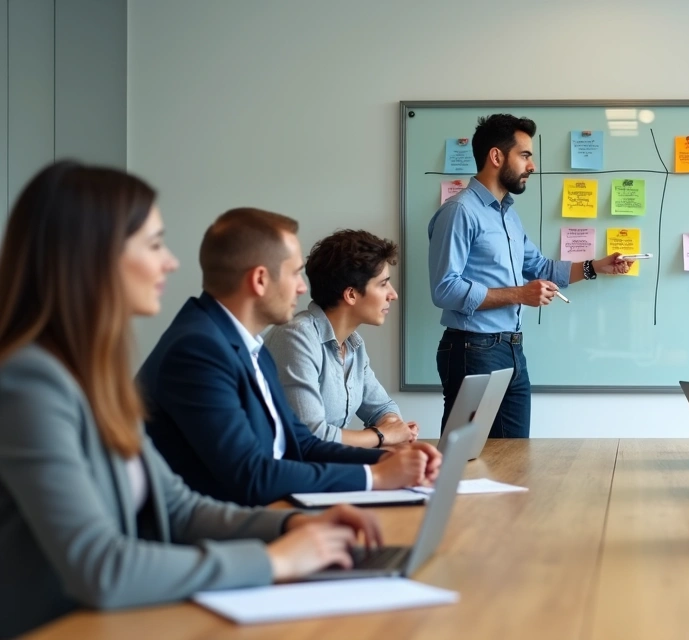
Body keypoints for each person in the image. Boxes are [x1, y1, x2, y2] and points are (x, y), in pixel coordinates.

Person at [0, 161, 385, 637]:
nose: (171, 262)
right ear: (94, 256)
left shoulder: (94, 375)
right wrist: (273, 561)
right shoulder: (29, 383)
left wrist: (289, 528)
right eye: (154, 245)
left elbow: (179, 508)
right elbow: (102, 567)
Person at [140, 208, 441, 507]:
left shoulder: (249, 346)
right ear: (260, 279)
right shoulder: (199, 350)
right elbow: (251, 474)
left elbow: (303, 444)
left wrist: (389, 460)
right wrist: (374, 476)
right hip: (218, 525)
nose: (302, 287)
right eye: (295, 273)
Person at [427, 113, 632, 439]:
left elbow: (540, 267)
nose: (532, 165)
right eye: (525, 155)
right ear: (496, 157)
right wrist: (520, 294)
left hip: (511, 348)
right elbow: (445, 289)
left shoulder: (508, 215)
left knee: (515, 456)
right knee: (464, 457)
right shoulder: (460, 212)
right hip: (472, 349)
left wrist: (596, 266)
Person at [265, 229, 418, 449]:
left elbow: (382, 407)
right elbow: (311, 436)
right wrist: (382, 435)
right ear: (351, 294)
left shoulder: (353, 344)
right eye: (383, 284)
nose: (392, 294)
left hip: (330, 463)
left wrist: (394, 426)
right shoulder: (296, 337)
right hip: (294, 467)